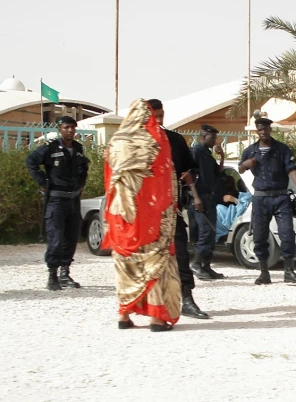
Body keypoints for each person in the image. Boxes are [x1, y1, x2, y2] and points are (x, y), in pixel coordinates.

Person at [103, 99, 181, 332]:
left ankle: (124, 316)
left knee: (125, 262)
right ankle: (157, 319)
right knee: (153, 261)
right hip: (150, 213)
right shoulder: (156, 138)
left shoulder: (115, 141)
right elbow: (165, 177)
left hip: (121, 213)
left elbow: (108, 178)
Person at [146, 99, 210, 320]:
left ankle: (187, 299)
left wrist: (189, 176)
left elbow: (190, 167)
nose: (160, 120)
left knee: (181, 254)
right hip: (146, 215)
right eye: (155, 115)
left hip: (171, 210)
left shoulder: (174, 140)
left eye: (162, 115)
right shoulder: (137, 143)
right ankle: (146, 304)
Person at [239, 116, 296, 284]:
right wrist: (246, 164)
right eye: (260, 130)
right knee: (260, 236)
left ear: (270, 130)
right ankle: (264, 273)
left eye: (266, 129)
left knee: (287, 233)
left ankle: (289, 271)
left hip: (281, 197)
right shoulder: (250, 151)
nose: (263, 132)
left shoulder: (282, 149)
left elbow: (291, 169)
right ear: (257, 131)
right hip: (260, 198)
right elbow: (240, 169)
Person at [26, 116, 89, 291]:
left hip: (73, 200)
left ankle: (64, 273)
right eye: (67, 127)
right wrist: (43, 182)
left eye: (73, 128)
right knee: (56, 238)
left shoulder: (77, 148)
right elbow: (31, 161)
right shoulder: (50, 148)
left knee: (71, 236)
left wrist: (81, 183)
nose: (70, 130)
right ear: (60, 129)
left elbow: (84, 167)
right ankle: (52, 276)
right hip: (56, 200)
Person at [189, 124, 226, 280]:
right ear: (203, 137)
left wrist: (222, 156)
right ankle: (196, 264)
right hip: (200, 197)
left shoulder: (207, 154)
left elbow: (218, 172)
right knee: (205, 232)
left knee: (211, 232)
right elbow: (189, 176)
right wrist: (196, 197)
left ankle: (206, 265)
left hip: (210, 198)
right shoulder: (195, 152)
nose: (214, 141)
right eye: (212, 138)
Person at [216, 175, 252, 242]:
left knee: (219, 208)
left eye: (232, 183)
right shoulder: (222, 193)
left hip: (235, 217)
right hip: (231, 214)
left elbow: (243, 206)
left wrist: (234, 200)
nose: (231, 185)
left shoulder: (246, 195)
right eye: (228, 183)